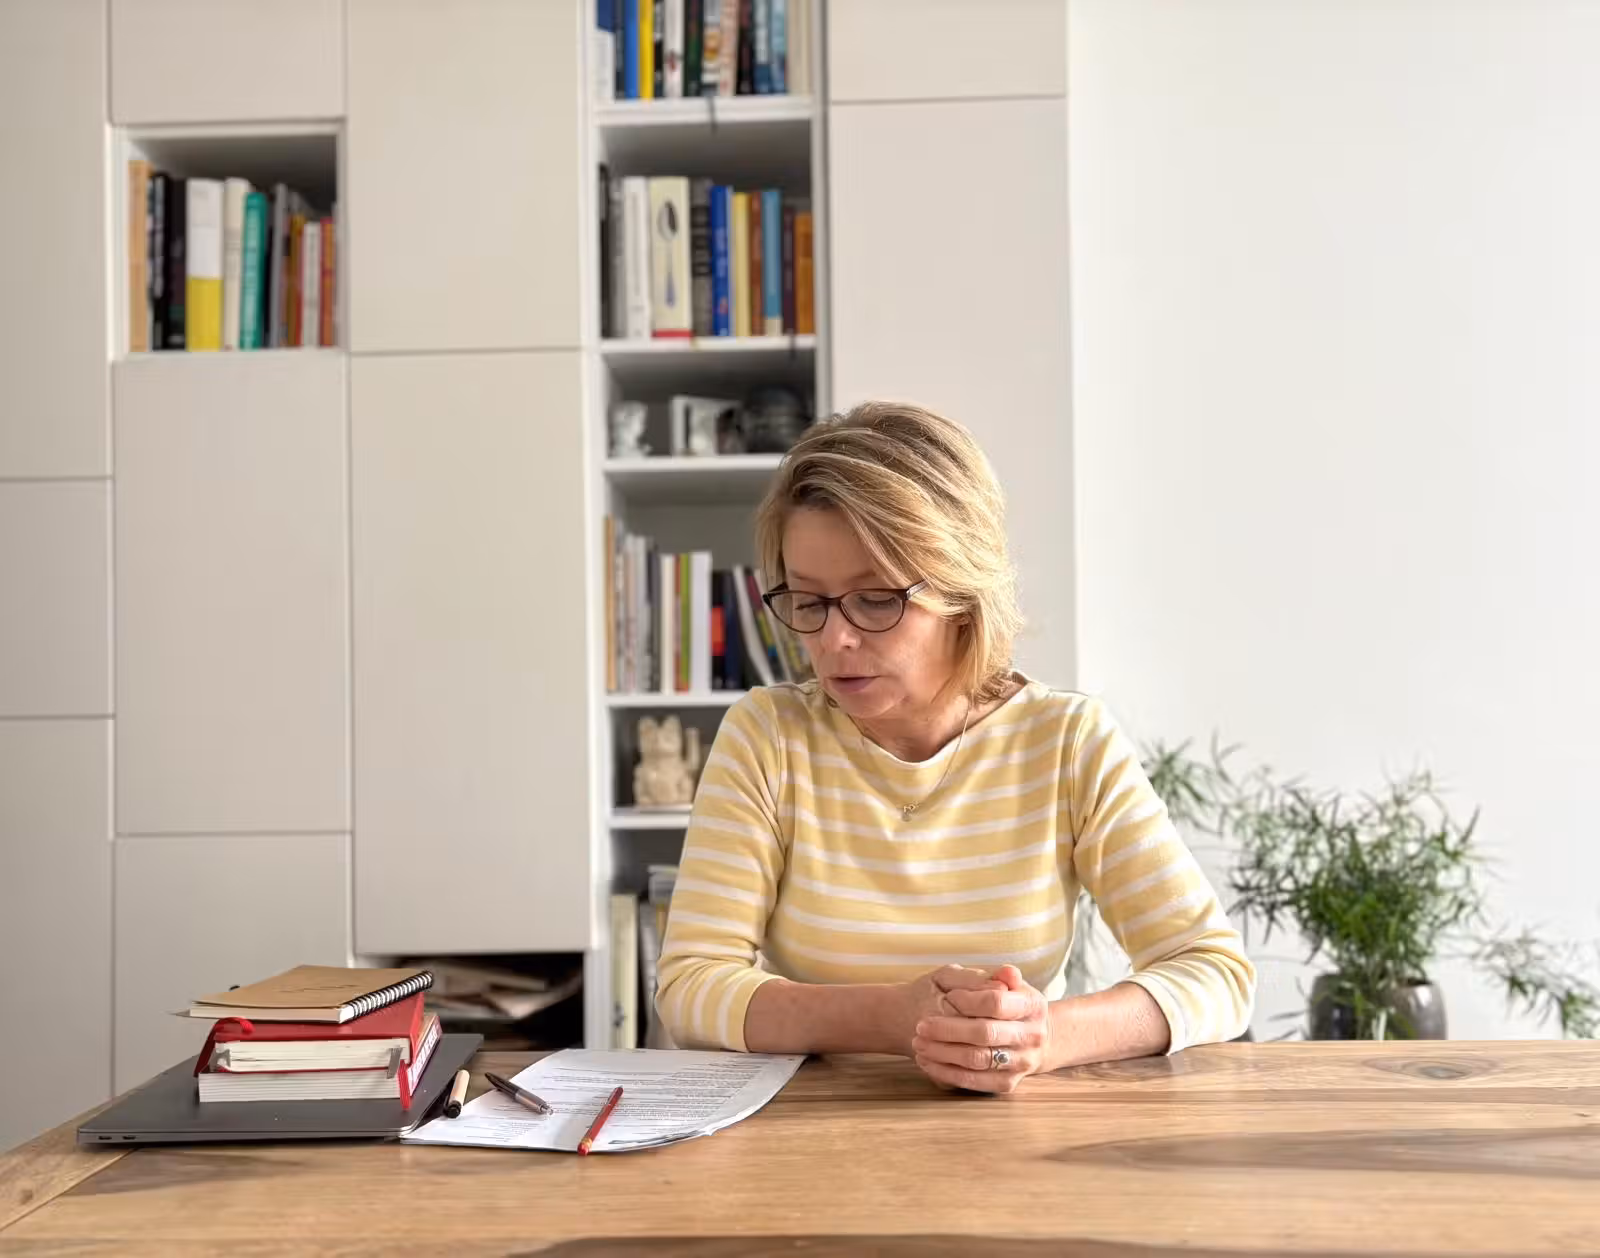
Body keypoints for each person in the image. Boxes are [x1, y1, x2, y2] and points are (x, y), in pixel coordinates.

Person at [655, 402, 1255, 1092]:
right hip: (810, 1125)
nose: (834, 639)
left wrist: (1040, 1037)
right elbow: (690, 986)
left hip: (1015, 1125)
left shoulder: (1067, 742)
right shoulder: (768, 737)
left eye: (875, 599)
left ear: (963, 594)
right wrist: (894, 1018)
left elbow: (1215, 973)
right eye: (809, 602)